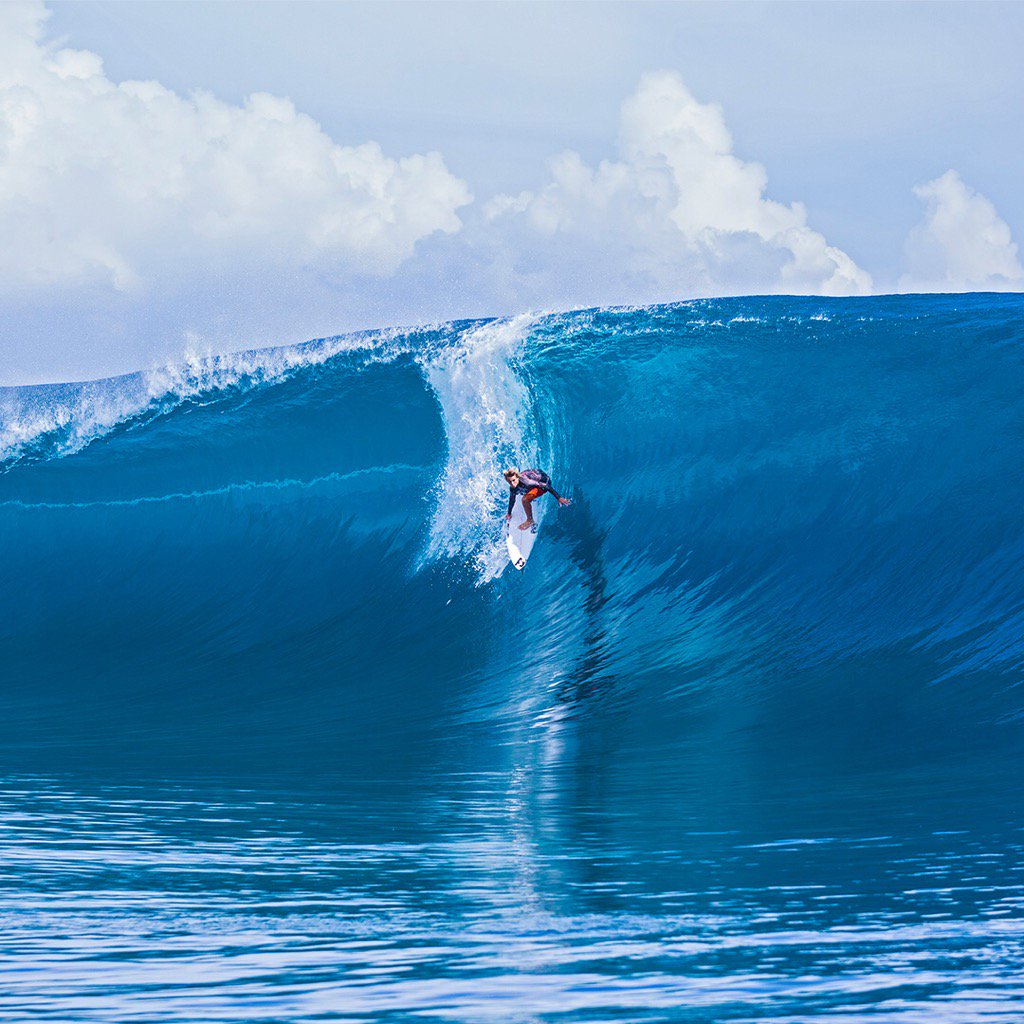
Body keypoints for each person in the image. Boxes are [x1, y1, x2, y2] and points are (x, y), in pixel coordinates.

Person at [503, 467, 571, 530]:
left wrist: (559, 498)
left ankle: (530, 520)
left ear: (517, 477)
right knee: (518, 491)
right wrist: (509, 513)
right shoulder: (512, 487)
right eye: (509, 482)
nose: (512, 483)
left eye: (513, 480)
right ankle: (530, 497)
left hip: (544, 483)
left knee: (525, 500)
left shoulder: (527, 482)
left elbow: (546, 486)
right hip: (536, 475)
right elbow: (512, 499)